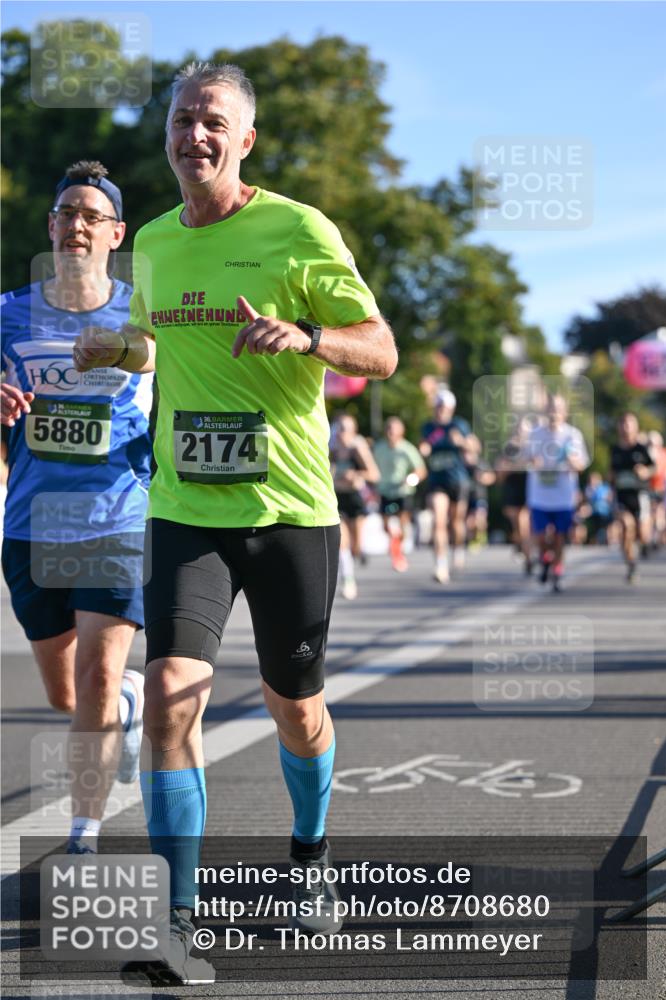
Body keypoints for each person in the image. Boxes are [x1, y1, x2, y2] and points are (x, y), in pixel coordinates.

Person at [74, 62, 397, 985]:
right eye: (182, 121)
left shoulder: (296, 229)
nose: (194, 136)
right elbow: (152, 341)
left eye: (213, 122)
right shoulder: (161, 246)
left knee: (297, 707)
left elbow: (381, 349)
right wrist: (116, 348)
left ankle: (310, 855)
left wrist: (309, 339)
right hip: (186, 509)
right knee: (172, 692)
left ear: (244, 139)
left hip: (291, 510)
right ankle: (179, 918)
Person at [1, 161, 153, 854]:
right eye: (67, 213)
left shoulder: (142, 311)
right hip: (33, 522)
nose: (77, 225)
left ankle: (83, 832)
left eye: (93, 215)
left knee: (95, 671)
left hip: (115, 515)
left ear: (114, 233)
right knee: (67, 695)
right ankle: (127, 702)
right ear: (51, 227)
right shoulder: (8, 314)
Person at [526, 394, 589, 592]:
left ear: (565, 412)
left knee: (560, 537)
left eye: (558, 409)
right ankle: (545, 559)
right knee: (541, 536)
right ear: (545, 411)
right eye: (551, 408)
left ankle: (557, 571)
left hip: (563, 496)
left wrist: (573, 461)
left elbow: (582, 465)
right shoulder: (535, 434)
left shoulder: (572, 435)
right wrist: (532, 462)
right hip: (539, 495)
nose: (554, 413)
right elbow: (524, 459)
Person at [419, 389, 474, 583]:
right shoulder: (428, 427)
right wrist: (423, 449)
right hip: (437, 481)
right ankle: (440, 565)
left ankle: (458, 549)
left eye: (445, 407)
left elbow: (474, 447)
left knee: (457, 522)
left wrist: (461, 442)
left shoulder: (459, 425)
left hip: (458, 480)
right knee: (439, 521)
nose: (441, 411)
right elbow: (424, 446)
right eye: (438, 407)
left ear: (451, 409)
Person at [330, 413, 380, 597]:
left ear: (353, 432)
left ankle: (357, 557)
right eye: (338, 428)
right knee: (341, 540)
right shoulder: (331, 450)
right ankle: (348, 579)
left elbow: (374, 474)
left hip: (356, 499)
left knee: (356, 546)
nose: (340, 433)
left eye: (345, 429)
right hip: (337, 498)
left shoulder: (357, 449)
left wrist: (356, 476)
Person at [372, 416, 426, 572]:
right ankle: (395, 543)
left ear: (401, 432)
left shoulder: (407, 449)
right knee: (385, 525)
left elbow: (421, 470)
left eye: (394, 429)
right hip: (385, 491)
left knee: (403, 523)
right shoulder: (379, 448)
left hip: (402, 492)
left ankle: (398, 552)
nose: (391, 433)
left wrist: (412, 479)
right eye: (388, 429)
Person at [610, 413, 654, 583]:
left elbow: (653, 467)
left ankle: (644, 545)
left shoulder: (641, 448)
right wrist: (611, 480)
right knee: (626, 527)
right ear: (619, 427)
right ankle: (631, 564)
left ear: (635, 427)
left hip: (639, 495)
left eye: (630, 424)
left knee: (643, 534)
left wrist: (645, 471)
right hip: (622, 496)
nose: (626, 427)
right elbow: (611, 473)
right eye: (623, 424)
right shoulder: (615, 449)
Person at [496, 419, 533, 575]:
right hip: (513, 488)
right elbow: (500, 471)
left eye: (523, 430)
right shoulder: (509, 448)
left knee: (524, 522)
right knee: (517, 524)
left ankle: (529, 555)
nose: (520, 433)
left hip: (528, 488)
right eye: (518, 429)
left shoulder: (533, 447)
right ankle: (522, 547)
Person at [582, 471, 614, 545]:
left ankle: (607, 539)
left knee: (606, 520)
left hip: (605, 511)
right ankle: (590, 538)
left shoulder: (605, 487)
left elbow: (609, 499)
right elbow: (587, 500)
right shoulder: (589, 489)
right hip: (593, 511)